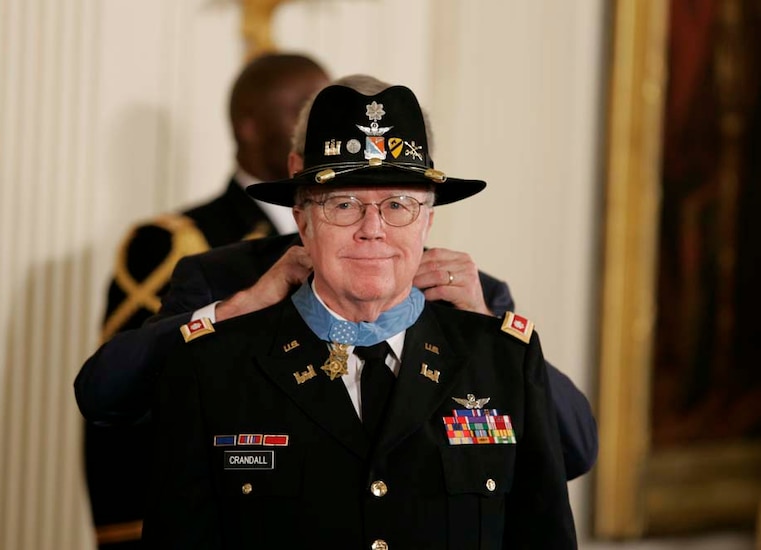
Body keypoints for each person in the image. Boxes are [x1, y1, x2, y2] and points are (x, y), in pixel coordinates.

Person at [75, 78, 598, 484]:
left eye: (397, 196)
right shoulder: (221, 277)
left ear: (427, 200)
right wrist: (235, 309)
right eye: (344, 198)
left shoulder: (473, 296)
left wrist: (485, 321)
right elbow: (103, 397)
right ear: (300, 183)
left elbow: (572, 452)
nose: (371, 228)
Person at [85, 52, 330, 548]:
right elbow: (126, 398)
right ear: (250, 126)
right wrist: (125, 531)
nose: (317, 127)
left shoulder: (369, 247)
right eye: (302, 110)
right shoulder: (176, 243)